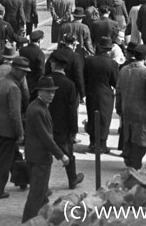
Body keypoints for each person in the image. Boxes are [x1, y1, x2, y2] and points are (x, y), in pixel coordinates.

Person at [21, 76, 69, 223]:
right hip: (40, 157)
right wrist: (62, 155)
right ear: (39, 92)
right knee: (37, 193)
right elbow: (46, 137)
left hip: (34, 155)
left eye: (53, 92)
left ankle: (46, 217)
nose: (51, 95)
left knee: (41, 193)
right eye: (48, 92)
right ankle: (28, 221)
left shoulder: (37, 106)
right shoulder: (39, 110)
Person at [0, 57, 30, 200]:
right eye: (23, 72)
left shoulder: (1, 82)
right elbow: (15, 114)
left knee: (5, 159)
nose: (24, 75)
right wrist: (20, 134)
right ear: (15, 69)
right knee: (3, 163)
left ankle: (19, 181)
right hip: (8, 130)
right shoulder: (13, 88)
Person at [116, 45, 146, 169]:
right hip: (141, 112)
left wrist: (118, 108)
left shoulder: (124, 70)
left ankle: (128, 159)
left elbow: (118, 91)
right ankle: (135, 164)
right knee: (140, 139)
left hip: (126, 109)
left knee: (128, 136)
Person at [47, 51, 83, 190]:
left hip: (46, 124)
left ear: (54, 64)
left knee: (45, 154)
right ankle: (72, 179)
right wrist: (74, 130)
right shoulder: (69, 85)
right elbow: (72, 110)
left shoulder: (46, 79)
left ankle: (44, 183)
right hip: (62, 126)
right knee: (67, 154)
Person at [83, 36, 119, 154]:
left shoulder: (89, 60)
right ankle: (102, 144)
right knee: (104, 119)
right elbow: (115, 82)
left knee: (92, 116)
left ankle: (92, 142)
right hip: (106, 95)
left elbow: (84, 76)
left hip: (91, 93)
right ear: (109, 50)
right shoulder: (112, 63)